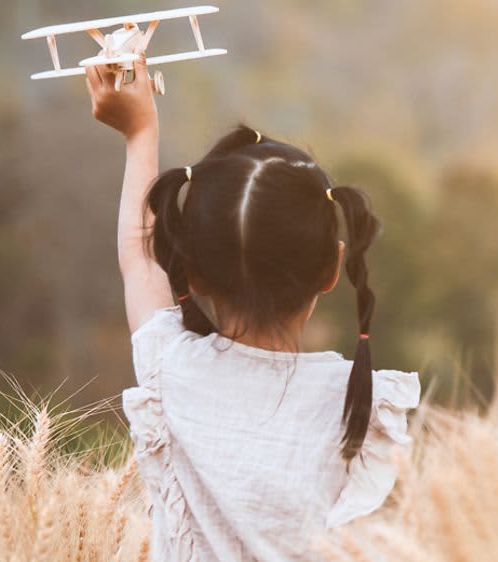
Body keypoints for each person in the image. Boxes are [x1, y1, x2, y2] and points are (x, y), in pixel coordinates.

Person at [85, 53, 420, 562]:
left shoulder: (171, 371)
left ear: (192, 274)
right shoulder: (363, 404)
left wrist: (141, 132)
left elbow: (140, 262)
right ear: (333, 269)